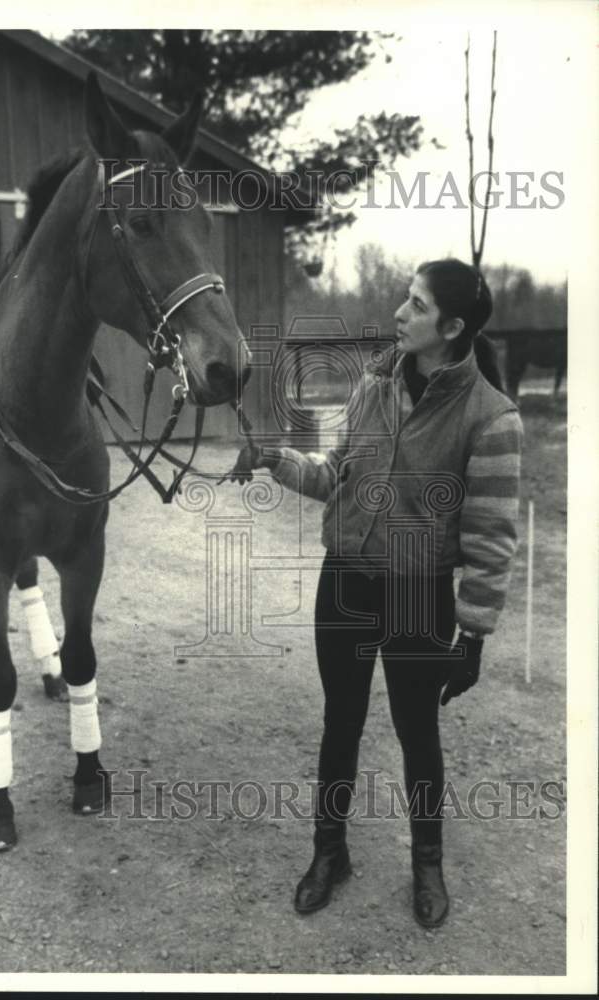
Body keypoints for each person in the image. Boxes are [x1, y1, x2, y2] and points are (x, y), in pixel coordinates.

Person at [229, 258, 523, 927]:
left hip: (419, 595)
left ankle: (427, 863)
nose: (399, 313)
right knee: (341, 722)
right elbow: (336, 474)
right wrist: (275, 458)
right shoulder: (373, 385)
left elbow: (491, 536)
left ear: (451, 328)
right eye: (405, 299)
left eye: (415, 306)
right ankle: (329, 853)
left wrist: (472, 634)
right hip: (347, 583)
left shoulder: (490, 416)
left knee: (418, 732)